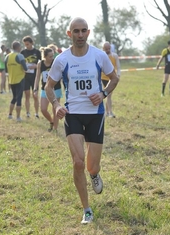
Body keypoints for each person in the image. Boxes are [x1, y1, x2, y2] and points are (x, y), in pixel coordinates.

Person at [45, 17, 119, 224]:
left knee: (92, 167)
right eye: (75, 31)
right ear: (69, 34)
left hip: (95, 115)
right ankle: (86, 209)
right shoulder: (62, 59)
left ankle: (94, 174)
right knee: (78, 162)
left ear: (88, 32)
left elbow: (114, 78)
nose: (79, 35)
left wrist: (103, 94)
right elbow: (49, 87)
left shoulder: (99, 55)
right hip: (73, 114)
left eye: (83, 31)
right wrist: (57, 105)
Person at [33, 47, 62, 131]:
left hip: (56, 89)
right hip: (44, 89)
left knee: (55, 109)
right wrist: (35, 89)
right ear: (45, 56)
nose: (52, 58)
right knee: (43, 109)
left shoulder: (55, 63)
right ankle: (51, 121)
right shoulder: (40, 64)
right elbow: (37, 77)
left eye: (53, 56)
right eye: (50, 56)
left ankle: (55, 129)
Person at [5, 41, 28, 122]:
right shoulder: (20, 56)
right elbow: (25, 68)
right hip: (20, 79)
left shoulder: (7, 56)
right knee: (19, 98)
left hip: (11, 80)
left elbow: (6, 69)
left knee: (14, 97)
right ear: (18, 47)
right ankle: (18, 117)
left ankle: (10, 114)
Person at [21, 36, 41, 118]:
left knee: (35, 95)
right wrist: (23, 68)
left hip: (35, 77)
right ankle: (28, 112)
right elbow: (20, 64)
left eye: (28, 44)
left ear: (32, 43)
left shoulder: (37, 52)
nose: (26, 46)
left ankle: (36, 113)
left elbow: (41, 63)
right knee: (27, 94)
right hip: (25, 77)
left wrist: (36, 66)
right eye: (25, 44)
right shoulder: (22, 52)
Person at [101, 41, 121, 117]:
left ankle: (107, 112)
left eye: (109, 48)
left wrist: (118, 75)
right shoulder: (101, 56)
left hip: (112, 78)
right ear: (103, 48)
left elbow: (118, 67)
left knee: (108, 95)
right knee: (108, 95)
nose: (108, 50)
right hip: (103, 78)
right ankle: (110, 112)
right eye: (106, 48)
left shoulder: (114, 56)